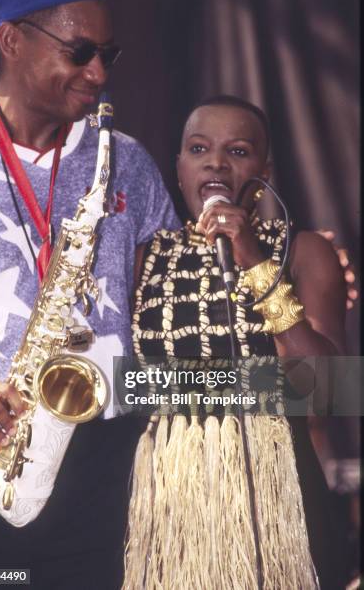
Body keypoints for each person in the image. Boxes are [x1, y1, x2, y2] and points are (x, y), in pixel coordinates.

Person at [0, 0, 180, 589]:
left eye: (110, 54)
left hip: (108, 463)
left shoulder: (127, 159)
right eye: (79, 52)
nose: (99, 72)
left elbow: (169, 308)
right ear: (11, 41)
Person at [124, 95, 348, 590]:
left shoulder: (303, 248)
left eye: (239, 151)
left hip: (278, 491)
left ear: (265, 170)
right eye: (199, 148)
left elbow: (330, 388)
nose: (217, 162)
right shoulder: (144, 257)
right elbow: (126, 388)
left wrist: (254, 262)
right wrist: (262, 387)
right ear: (179, 167)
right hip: (169, 496)